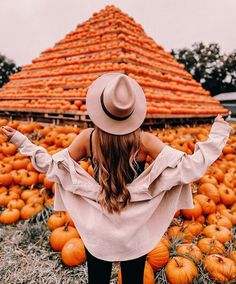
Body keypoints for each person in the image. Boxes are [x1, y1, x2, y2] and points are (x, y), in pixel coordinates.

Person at [2, 73, 233, 284]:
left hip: (98, 224)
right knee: (133, 279)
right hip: (136, 226)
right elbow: (190, 167)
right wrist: (218, 133)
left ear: (101, 109)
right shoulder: (144, 141)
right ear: (132, 112)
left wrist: (22, 142)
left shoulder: (88, 139)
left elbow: (53, 166)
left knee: (98, 279)